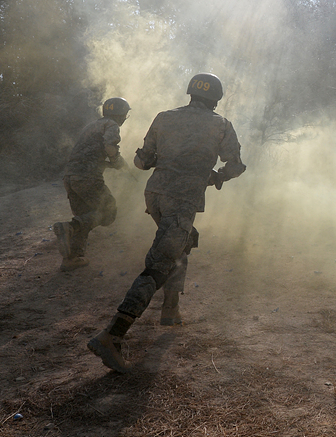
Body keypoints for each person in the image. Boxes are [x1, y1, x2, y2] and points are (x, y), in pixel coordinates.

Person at [87, 73, 246, 373]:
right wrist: (217, 176)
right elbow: (234, 166)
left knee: (184, 241)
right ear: (216, 99)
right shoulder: (221, 125)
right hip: (183, 200)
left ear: (190, 94)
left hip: (155, 195)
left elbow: (141, 162)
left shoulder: (164, 117)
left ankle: (170, 309)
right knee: (159, 264)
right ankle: (112, 335)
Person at [53, 97, 131, 272]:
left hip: (70, 177)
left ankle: (72, 258)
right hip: (87, 176)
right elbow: (110, 146)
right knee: (109, 211)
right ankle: (70, 227)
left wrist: (110, 164)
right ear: (121, 114)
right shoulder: (112, 125)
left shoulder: (91, 126)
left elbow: (87, 154)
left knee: (85, 217)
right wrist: (118, 162)